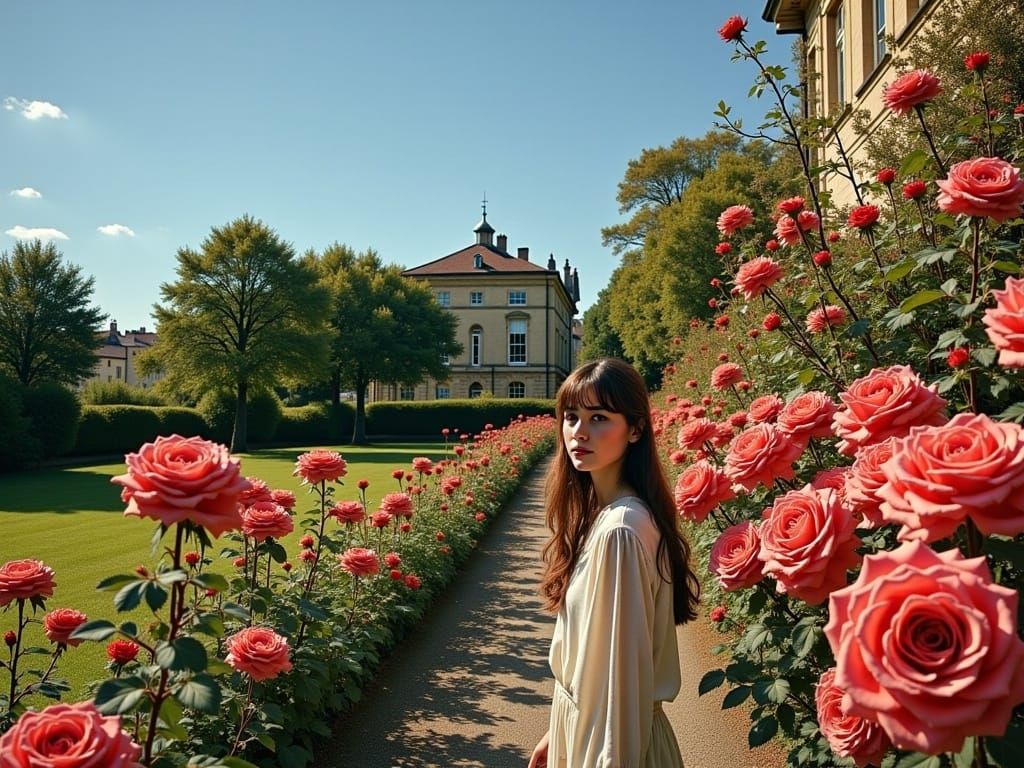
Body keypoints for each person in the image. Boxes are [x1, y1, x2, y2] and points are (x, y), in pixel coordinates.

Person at [529, 357, 700, 768]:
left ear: (635, 429)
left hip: (611, 746)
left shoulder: (620, 532)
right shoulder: (607, 517)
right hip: (587, 732)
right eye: (571, 416)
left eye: (599, 418)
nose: (579, 432)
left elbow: (620, 694)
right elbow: (597, 669)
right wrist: (558, 729)